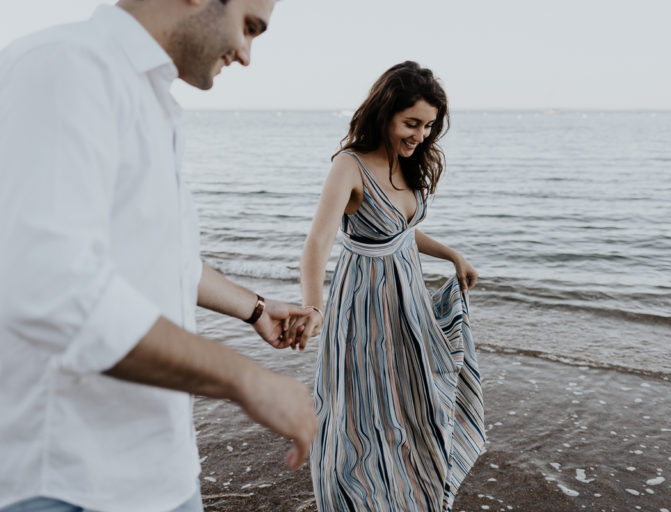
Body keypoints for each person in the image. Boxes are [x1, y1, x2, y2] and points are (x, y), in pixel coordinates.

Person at [0, 1, 317, 511]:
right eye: (249, 27)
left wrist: (255, 308)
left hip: (162, 474)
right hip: (68, 480)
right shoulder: (66, 67)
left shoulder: (150, 100)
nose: (246, 53)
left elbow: (162, 258)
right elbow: (51, 288)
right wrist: (245, 379)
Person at [291, 61, 486, 511]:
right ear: (385, 112)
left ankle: (411, 498)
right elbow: (316, 244)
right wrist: (313, 307)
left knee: (413, 410)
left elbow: (399, 231)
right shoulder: (350, 165)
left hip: (408, 308)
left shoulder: (405, 161)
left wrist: (451, 254)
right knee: (360, 417)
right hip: (363, 313)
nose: (420, 135)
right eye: (411, 122)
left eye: (429, 126)